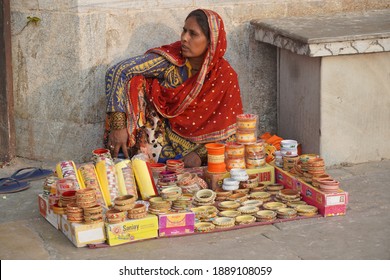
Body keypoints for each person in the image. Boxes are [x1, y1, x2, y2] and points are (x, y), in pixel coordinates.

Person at [104, 9, 243, 167]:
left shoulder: (225, 76)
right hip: (159, 142)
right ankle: (123, 163)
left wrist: (200, 154)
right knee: (135, 83)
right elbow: (118, 72)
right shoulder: (172, 61)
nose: (184, 38)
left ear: (211, 42)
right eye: (184, 31)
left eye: (193, 34)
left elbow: (232, 131)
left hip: (200, 147)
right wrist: (118, 127)